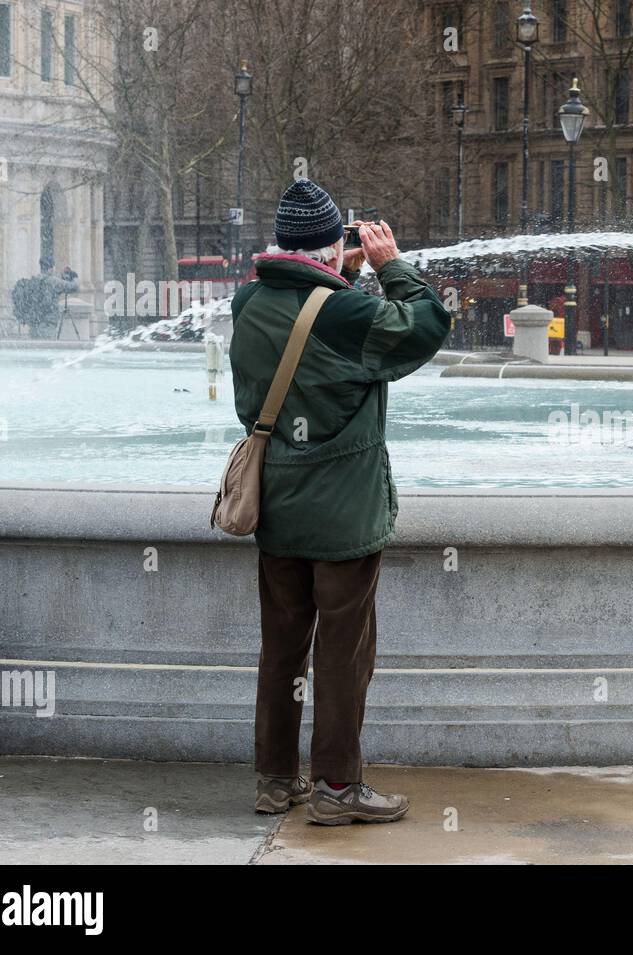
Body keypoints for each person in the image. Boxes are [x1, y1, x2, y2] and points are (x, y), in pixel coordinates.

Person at [229, 178, 450, 824]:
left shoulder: (248, 304)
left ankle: (274, 779)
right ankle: (335, 786)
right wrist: (391, 268)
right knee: (342, 654)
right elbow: (426, 326)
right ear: (333, 247)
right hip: (344, 516)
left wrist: (334, 275)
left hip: (276, 507)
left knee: (282, 649)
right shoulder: (348, 312)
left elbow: (293, 345)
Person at [12, 257, 79, 338]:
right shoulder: (53, 281)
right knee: (48, 349)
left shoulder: (35, 280)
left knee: (36, 349)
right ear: (51, 268)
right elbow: (73, 287)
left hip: (34, 325)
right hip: (48, 325)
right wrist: (74, 277)